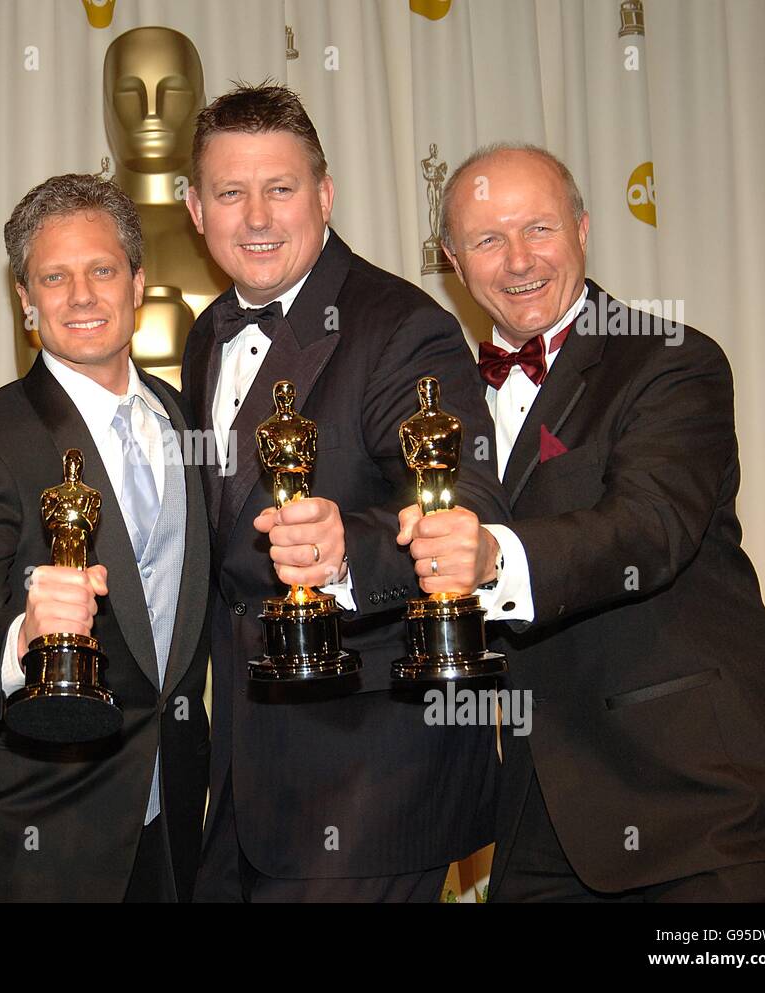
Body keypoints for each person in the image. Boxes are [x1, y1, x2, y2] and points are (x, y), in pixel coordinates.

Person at [401, 142, 765, 901]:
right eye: (488, 239)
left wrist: (493, 553)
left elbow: (649, 526)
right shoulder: (442, 407)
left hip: (693, 807)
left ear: (584, 230)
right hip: (537, 819)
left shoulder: (669, 361)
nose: (519, 259)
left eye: (540, 229)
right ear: (454, 262)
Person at [180, 82, 509, 902]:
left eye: (280, 188)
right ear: (195, 208)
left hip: (372, 768)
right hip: (244, 777)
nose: (256, 216)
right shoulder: (205, 333)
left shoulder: (402, 325)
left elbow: (464, 501)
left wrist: (342, 553)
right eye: (230, 191)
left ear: (324, 195)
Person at [0, 174, 210, 902]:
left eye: (102, 270)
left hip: (172, 810)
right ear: (26, 300)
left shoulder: (184, 421)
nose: (81, 296)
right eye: (55, 276)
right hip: (37, 822)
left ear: (138, 282)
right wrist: (24, 634)